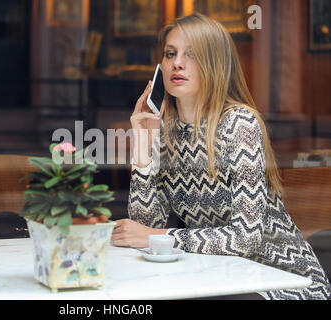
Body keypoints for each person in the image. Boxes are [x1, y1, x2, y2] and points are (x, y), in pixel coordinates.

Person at [111, 13, 331, 300]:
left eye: (192, 54)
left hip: (280, 282)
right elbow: (145, 224)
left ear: (215, 64)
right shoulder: (164, 130)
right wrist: (142, 148)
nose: (177, 63)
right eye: (170, 53)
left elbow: (245, 238)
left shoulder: (239, 124)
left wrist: (161, 237)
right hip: (218, 274)